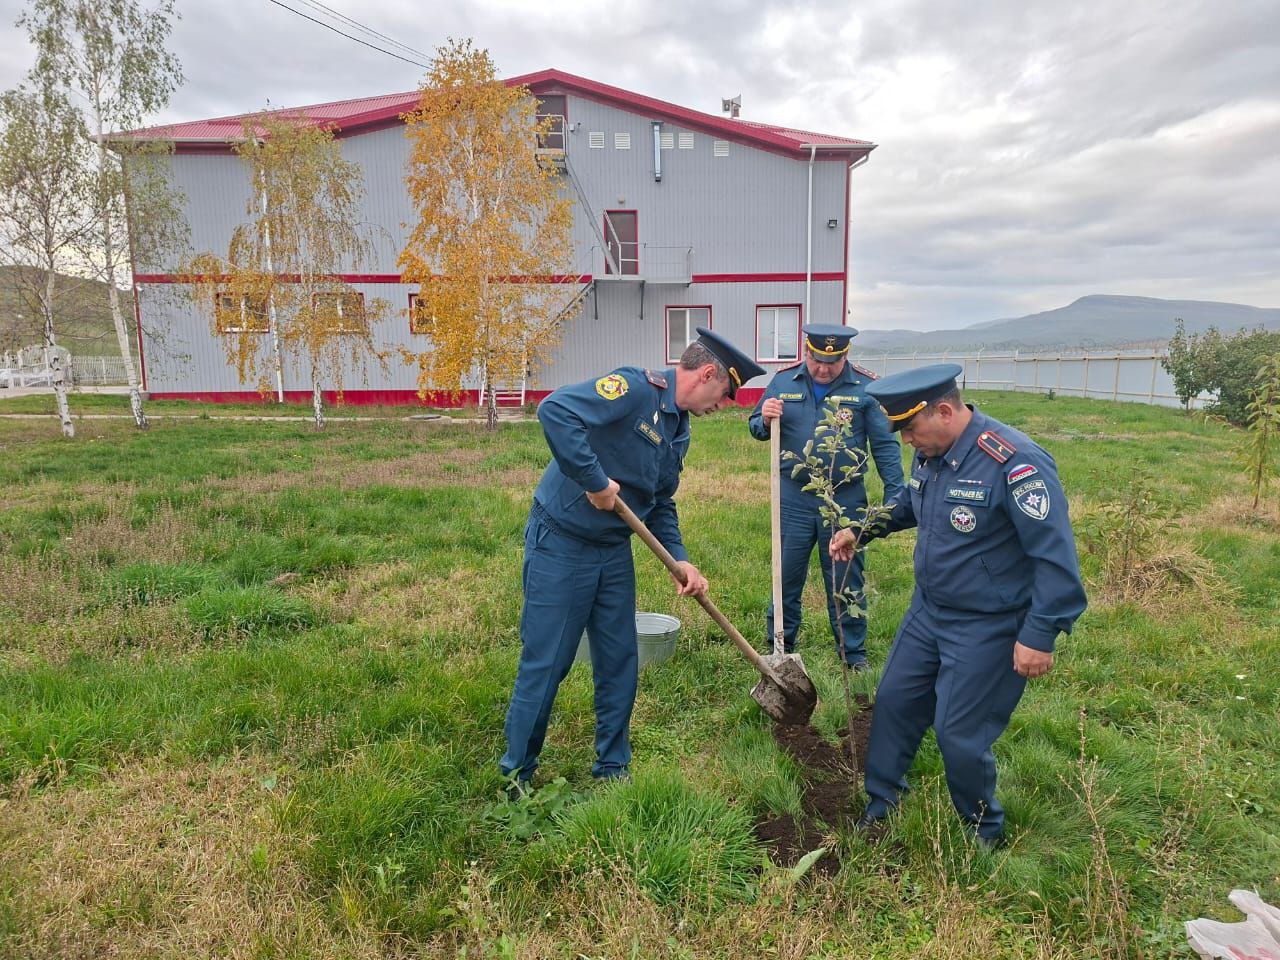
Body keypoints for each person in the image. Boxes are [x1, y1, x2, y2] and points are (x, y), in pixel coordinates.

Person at [830, 363, 1087, 846]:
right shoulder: (932, 453)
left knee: (958, 733)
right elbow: (911, 503)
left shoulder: (1015, 463)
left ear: (945, 411)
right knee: (894, 703)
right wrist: (862, 528)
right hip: (929, 611)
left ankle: (981, 830)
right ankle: (883, 802)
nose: (906, 440)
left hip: (988, 624)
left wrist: (1039, 634)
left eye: (910, 427)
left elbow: (1055, 557)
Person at [501, 328, 765, 791]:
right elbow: (556, 411)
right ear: (707, 374)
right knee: (549, 663)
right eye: (725, 395)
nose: (723, 407)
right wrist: (594, 480)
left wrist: (680, 559)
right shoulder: (635, 389)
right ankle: (516, 774)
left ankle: (613, 769)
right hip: (562, 543)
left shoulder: (679, 429)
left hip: (613, 551)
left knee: (620, 660)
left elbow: (660, 501)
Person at [748, 324, 905, 670]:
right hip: (793, 496)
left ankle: (853, 654)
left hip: (845, 499)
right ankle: (780, 646)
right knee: (785, 573)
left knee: (846, 575)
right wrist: (763, 418)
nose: (822, 368)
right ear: (806, 352)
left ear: (845, 356)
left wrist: (896, 497)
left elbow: (885, 446)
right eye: (817, 359)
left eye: (831, 362)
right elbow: (756, 426)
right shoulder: (783, 382)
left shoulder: (866, 388)